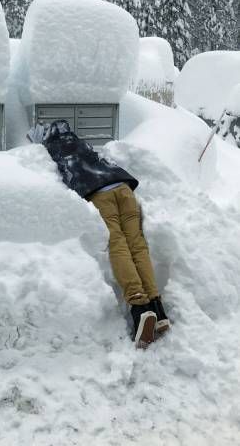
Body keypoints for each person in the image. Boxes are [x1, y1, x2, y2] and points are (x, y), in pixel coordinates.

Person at [28, 119, 170, 348]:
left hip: (100, 195)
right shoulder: (82, 145)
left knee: (118, 244)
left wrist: (40, 145)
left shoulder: (54, 150)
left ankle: (140, 307)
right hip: (123, 189)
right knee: (138, 245)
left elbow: (47, 167)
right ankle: (157, 309)